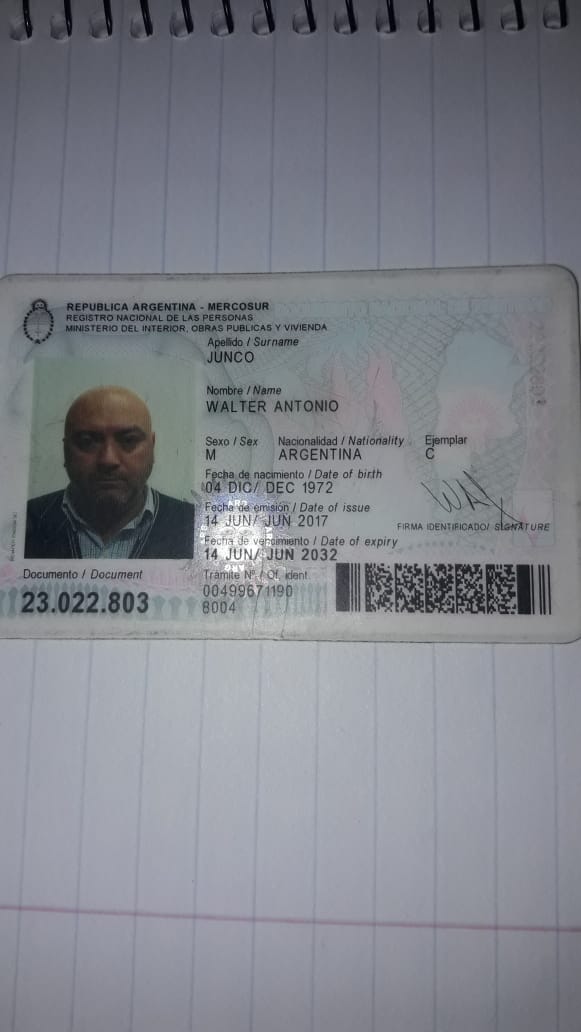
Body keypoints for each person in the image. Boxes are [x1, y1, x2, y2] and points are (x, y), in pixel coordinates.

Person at [25, 386, 195, 559]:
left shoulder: (194, 524)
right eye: (87, 441)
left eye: (128, 440)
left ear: (152, 448)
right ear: (65, 451)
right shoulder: (25, 521)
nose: (108, 460)